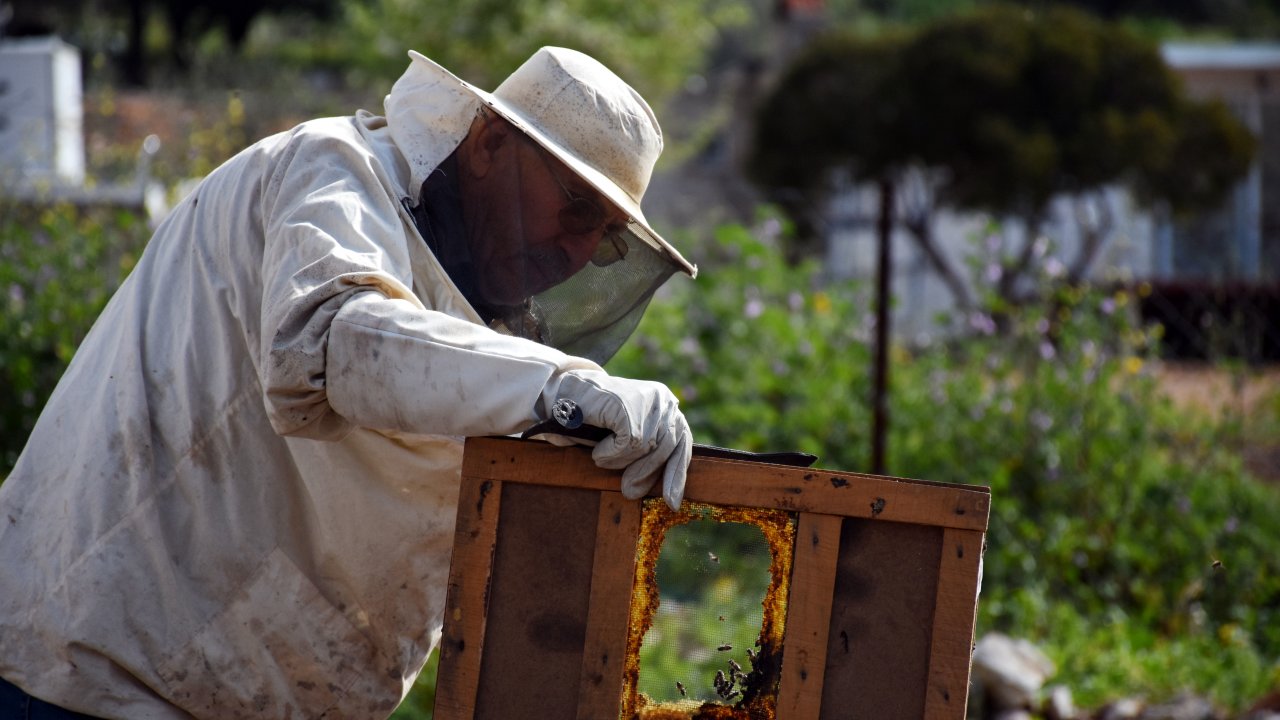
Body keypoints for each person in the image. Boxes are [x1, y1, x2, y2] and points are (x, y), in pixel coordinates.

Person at [0, 46, 696, 719]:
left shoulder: (493, 329)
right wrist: (563, 388)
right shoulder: (332, 171)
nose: (580, 250)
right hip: (81, 673)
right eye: (578, 209)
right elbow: (331, 341)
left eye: (607, 239)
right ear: (489, 143)